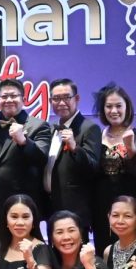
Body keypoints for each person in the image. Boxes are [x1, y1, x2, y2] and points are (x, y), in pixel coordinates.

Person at [0, 78, 52, 232]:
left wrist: (24, 141)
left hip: (23, 209)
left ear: (24, 99)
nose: (9, 100)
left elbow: (42, 159)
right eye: (4, 96)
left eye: (14, 95)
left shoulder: (39, 126)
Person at [44, 78, 102, 234]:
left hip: (75, 211)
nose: (61, 102)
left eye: (66, 97)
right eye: (56, 98)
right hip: (52, 208)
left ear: (77, 98)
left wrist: (74, 147)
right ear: (50, 101)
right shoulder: (51, 129)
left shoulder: (90, 128)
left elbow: (93, 167)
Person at [92, 84, 136, 252]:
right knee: (102, 243)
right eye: (109, 106)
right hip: (100, 199)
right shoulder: (97, 134)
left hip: (128, 195)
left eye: (118, 106)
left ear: (127, 107)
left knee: (129, 245)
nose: (114, 111)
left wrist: (129, 147)